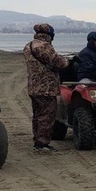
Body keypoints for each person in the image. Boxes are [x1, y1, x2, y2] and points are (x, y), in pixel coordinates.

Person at [24, 23, 68, 151]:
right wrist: (68, 61)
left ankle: (37, 140)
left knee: (37, 115)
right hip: (46, 88)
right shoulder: (44, 46)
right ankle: (42, 143)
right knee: (47, 116)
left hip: (33, 86)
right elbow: (58, 62)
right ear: (50, 35)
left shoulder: (29, 45)